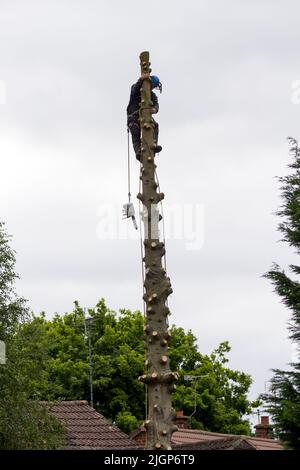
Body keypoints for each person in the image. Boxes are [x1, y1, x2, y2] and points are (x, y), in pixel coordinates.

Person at [127, 73, 162, 161]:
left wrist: (155, 109)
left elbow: (157, 105)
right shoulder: (136, 87)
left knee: (155, 125)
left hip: (145, 116)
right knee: (135, 132)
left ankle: (153, 145)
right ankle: (139, 152)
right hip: (133, 116)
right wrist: (141, 79)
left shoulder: (152, 95)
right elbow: (134, 90)